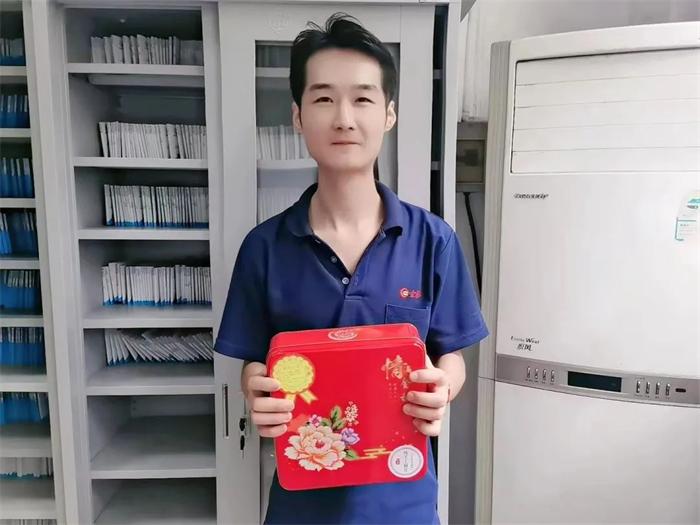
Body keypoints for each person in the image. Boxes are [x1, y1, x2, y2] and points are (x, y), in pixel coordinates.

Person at [215, 13, 488, 525]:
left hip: (403, 500)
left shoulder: (433, 241)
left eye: (362, 99)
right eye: (323, 99)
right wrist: (257, 388)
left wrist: (442, 387)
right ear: (298, 116)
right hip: (301, 505)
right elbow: (253, 359)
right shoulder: (264, 248)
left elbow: (451, 356)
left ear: (389, 114)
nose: (343, 118)